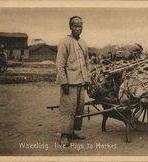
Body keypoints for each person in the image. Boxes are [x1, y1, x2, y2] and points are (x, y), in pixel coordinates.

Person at [56, 16, 90, 147]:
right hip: (69, 83)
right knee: (67, 109)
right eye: (75, 26)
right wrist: (64, 82)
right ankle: (64, 135)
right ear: (70, 27)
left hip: (81, 82)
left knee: (79, 109)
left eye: (80, 26)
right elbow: (59, 64)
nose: (78, 28)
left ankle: (73, 132)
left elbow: (87, 63)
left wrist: (87, 79)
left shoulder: (83, 43)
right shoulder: (64, 42)